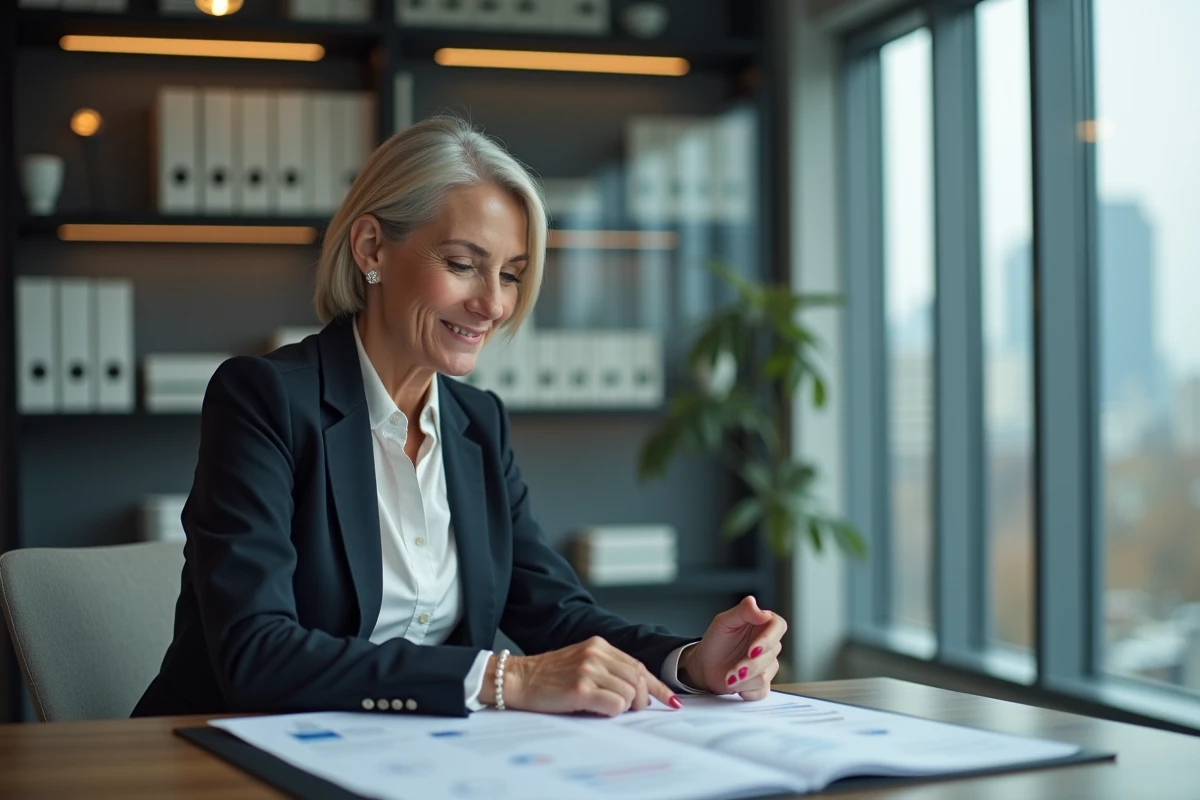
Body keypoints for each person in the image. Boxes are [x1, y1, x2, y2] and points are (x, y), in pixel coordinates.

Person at [133, 115, 786, 719]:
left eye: (510, 274)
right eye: (463, 265)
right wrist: (505, 679)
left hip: (417, 764)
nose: (494, 304)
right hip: (231, 756)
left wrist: (691, 661)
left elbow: (555, 613)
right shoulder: (266, 399)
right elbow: (257, 654)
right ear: (371, 249)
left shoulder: (477, 424)